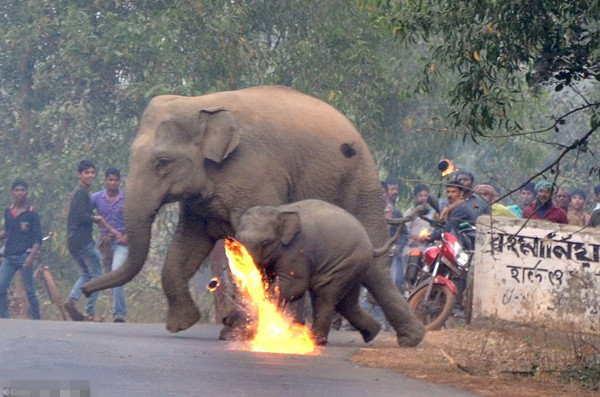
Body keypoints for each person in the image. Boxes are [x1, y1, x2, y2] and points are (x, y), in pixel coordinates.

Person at [64, 160, 122, 322]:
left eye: (92, 172)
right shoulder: (81, 193)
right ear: (79, 174)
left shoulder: (84, 193)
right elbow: (80, 216)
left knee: (86, 274)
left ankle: (71, 300)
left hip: (73, 241)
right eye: (86, 172)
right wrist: (97, 218)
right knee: (97, 276)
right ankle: (89, 313)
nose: (90, 175)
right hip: (82, 241)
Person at [0, 179, 43, 319]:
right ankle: (3, 319)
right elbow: (8, 231)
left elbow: (38, 239)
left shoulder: (32, 213)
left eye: (22, 190)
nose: (20, 193)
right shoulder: (9, 211)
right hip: (9, 256)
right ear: (12, 193)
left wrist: (31, 257)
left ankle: (37, 320)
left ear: (27, 192)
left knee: (30, 291)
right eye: (17, 190)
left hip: (25, 256)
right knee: (1, 286)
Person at [91, 168, 128, 323]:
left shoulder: (126, 198)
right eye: (110, 180)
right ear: (105, 181)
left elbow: (136, 219)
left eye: (115, 180)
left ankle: (119, 313)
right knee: (93, 273)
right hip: (103, 243)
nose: (113, 183)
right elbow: (83, 214)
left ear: (119, 182)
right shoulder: (96, 198)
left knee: (116, 272)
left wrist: (127, 236)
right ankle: (89, 311)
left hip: (121, 244)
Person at [401, 184, 437, 270]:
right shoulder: (409, 213)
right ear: (415, 197)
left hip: (427, 250)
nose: (423, 198)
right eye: (420, 195)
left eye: (425, 195)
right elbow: (404, 233)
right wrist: (417, 238)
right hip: (412, 250)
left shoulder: (432, 214)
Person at [381, 178, 408, 292]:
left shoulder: (396, 213)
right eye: (392, 189)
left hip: (391, 253)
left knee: (396, 282)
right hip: (372, 252)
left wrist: (399, 246)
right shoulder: (369, 211)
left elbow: (404, 234)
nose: (395, 192)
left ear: (385, 194)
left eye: (382, 192)